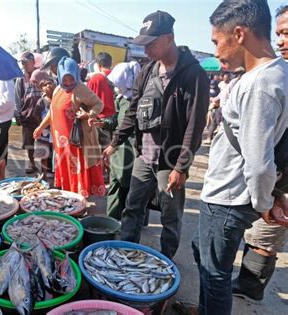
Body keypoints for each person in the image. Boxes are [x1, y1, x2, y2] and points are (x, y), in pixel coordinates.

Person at [191, 1, 288, 314]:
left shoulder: (260, 83)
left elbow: (259, 165)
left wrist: (264, 204)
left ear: (239, 34)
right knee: (205, 258)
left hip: (228, 197)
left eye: (217, 41)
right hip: (230, 193)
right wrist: (269, 197)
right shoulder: (277, 74)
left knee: (214, 273)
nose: (217, 51)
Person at [102, 10, 209, 259]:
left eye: (151, 43)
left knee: (170, 216)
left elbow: (195, 126)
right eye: (144, 44)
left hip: (169, 162)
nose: (146, 49)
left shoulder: (193, 75)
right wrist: (115, 142)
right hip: (144, 157)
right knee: (132, 206)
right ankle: (126, 252)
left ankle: (165, 260)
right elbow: (132, 111)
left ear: (169, 38)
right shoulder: (147, 71)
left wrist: (181, 167)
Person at [231, 4, 288, 304]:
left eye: (287, 34)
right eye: (279, 34)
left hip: (279, 175)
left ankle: (249, 288)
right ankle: (246, 283)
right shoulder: (279, 72)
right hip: (274, 175)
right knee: (258, 230)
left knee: (266, 234)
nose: (280, 41)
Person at [34, 57, 106, 197]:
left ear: (75, 75)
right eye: (65, 79)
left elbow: (99, 104)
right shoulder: (57, 90)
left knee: (76, 168)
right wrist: (41, 127)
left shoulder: (80, 89)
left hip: (76, 142)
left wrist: (89, 115)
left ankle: (79, 199)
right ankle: (69, 197)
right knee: (66, 168)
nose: (68, 83)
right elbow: (52, 111)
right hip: (60, 142)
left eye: (71, 79)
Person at [104, 61, 141, 220]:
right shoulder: (121, 98)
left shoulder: (138, 101)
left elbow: (130, 127)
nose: (115, 86)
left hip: (129, 149)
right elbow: (115, 121)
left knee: (128, 185)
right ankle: (112, 218)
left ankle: (128, 220)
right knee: (116, 182)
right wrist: (103, 123)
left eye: (117, 82)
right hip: (118, 148)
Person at [15, 52, 40, 173]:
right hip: (27, 116)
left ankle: (48, 166)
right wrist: (18, 114)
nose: (24, 65)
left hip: (41, 116)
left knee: (44, 142)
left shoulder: (41, 74)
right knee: (29, 143)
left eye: (26, 63)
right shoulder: (20, 78)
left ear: (33, 62)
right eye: (23, 63)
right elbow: (17, 97)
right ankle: (32, 164)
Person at [32, 70, 56, 178]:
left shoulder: (57, 99)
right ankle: (43, 174)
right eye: (45, 85)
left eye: (50, 83)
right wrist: (42, 126)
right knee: (44, 154)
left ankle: (57, 174)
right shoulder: (41, 102)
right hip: (44, 133)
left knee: (56, 154)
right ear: (41, 89)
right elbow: (36, 115)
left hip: (56, 131)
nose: (48, 86)